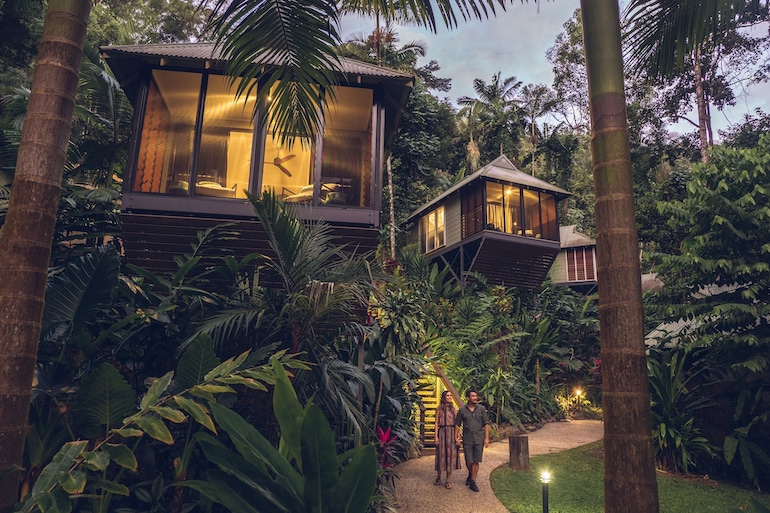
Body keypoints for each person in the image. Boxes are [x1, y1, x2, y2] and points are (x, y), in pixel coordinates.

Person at [455, 389, 489, 492]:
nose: (475, 398)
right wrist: (456, 436)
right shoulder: (462, 410)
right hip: (467, 439)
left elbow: (486, 424)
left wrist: (487, 438)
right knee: (468, 461)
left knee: (476, 460)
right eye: (473, 396)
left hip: (479, 438)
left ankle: (473, 481)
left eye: (476, 396)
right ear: (468, 398)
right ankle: (471, 474)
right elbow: (457, 424)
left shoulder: (481, 409)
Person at [434, 390, 460, 488]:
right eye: (447, 395)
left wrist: (457, 436)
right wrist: (435, 436)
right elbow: (436, 423)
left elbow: (457, 424)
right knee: (441, 454)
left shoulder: (454, 410)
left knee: (450, 455)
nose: (449, 397)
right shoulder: (439, 409)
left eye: (450, 395)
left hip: (452, 432)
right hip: (442, 432)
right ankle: (438, 476)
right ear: (444, 397)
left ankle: (448, 480)